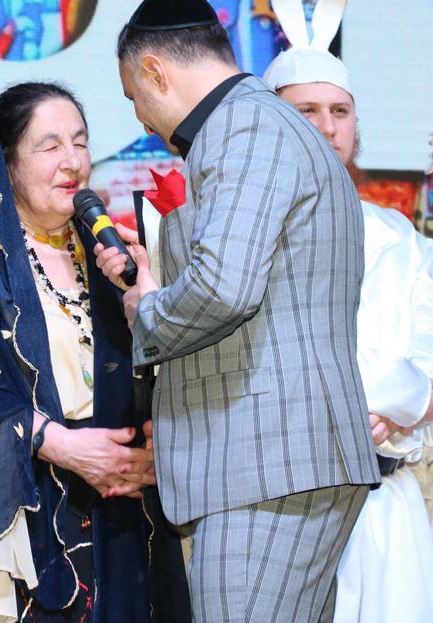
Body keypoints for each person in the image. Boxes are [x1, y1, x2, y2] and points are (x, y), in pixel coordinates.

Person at [96, 0, 380, 620]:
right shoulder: (262, 123)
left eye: (133, 96)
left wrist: (147, 309)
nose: (140, 116)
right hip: (283, 464)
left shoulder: (243, 126)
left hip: (269, 464)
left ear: (155, 70)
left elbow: (225, 288)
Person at [0, 82, 190, 623]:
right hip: (28, 509)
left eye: (80, 142)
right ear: (7, 163)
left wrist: (146, 298)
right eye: (50, 146)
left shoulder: (111, 251)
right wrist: (60, 445)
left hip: (125, 502)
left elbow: (162, 372)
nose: (73, 162)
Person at [264, 1, 433, 620]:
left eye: (339, 111)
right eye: (306, 110)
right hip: (280, 506)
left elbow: (427, 350)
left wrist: (392, 409)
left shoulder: (397, 234)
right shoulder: (242, 235)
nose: (327, 126)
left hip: (384, 502)